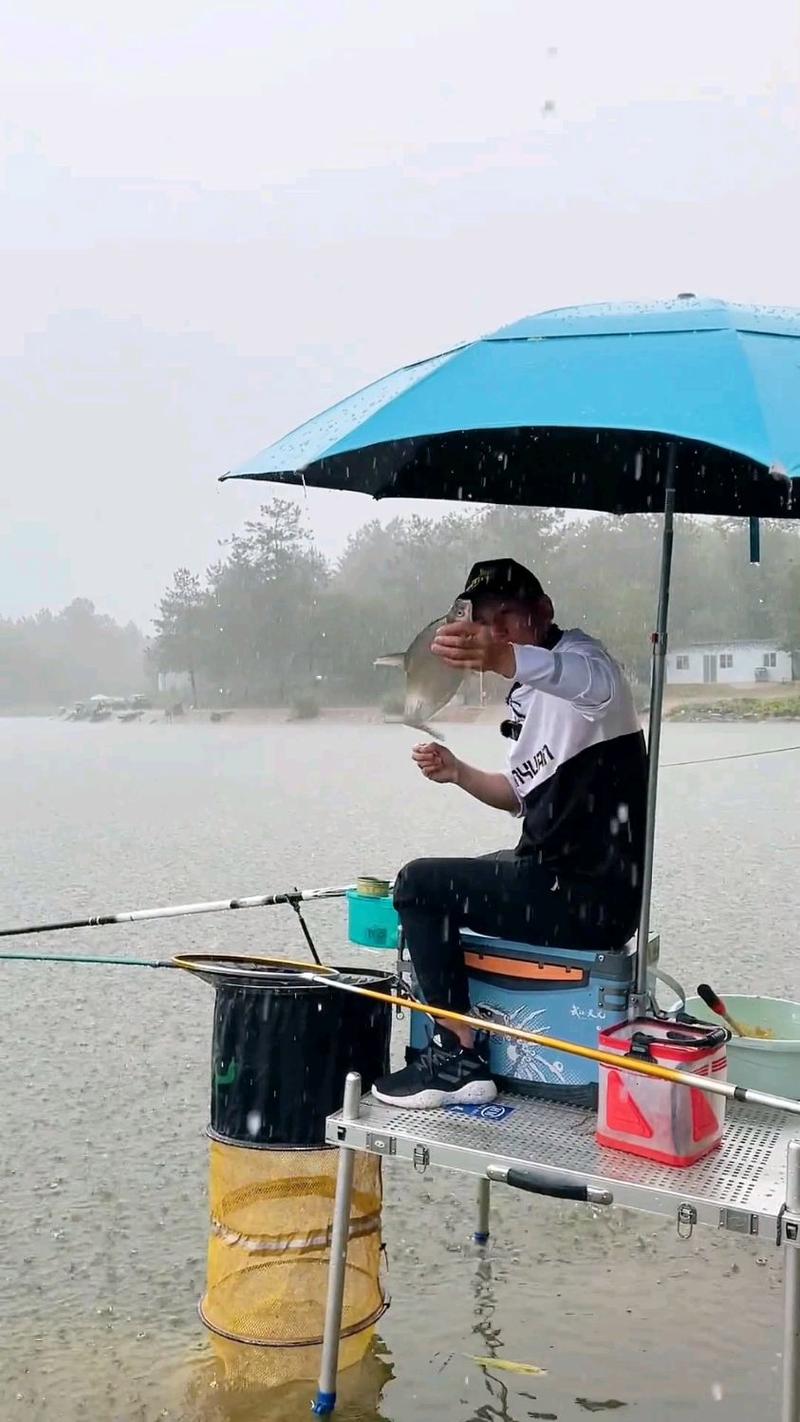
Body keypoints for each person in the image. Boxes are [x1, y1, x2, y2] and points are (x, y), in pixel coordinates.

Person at [372, 558, 647, 1109]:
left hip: (589, 897)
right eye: (484, 623)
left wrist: (504, 656)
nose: (494, 635)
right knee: (452, 881)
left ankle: (454, 1054)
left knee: (417, 885)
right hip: (554, 878)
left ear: (542, 612)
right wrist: (458, 773)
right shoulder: (527, 696)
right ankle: (458, 1035)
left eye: (506, 620)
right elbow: (519, 798)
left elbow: (585, 681)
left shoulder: (584, 664)